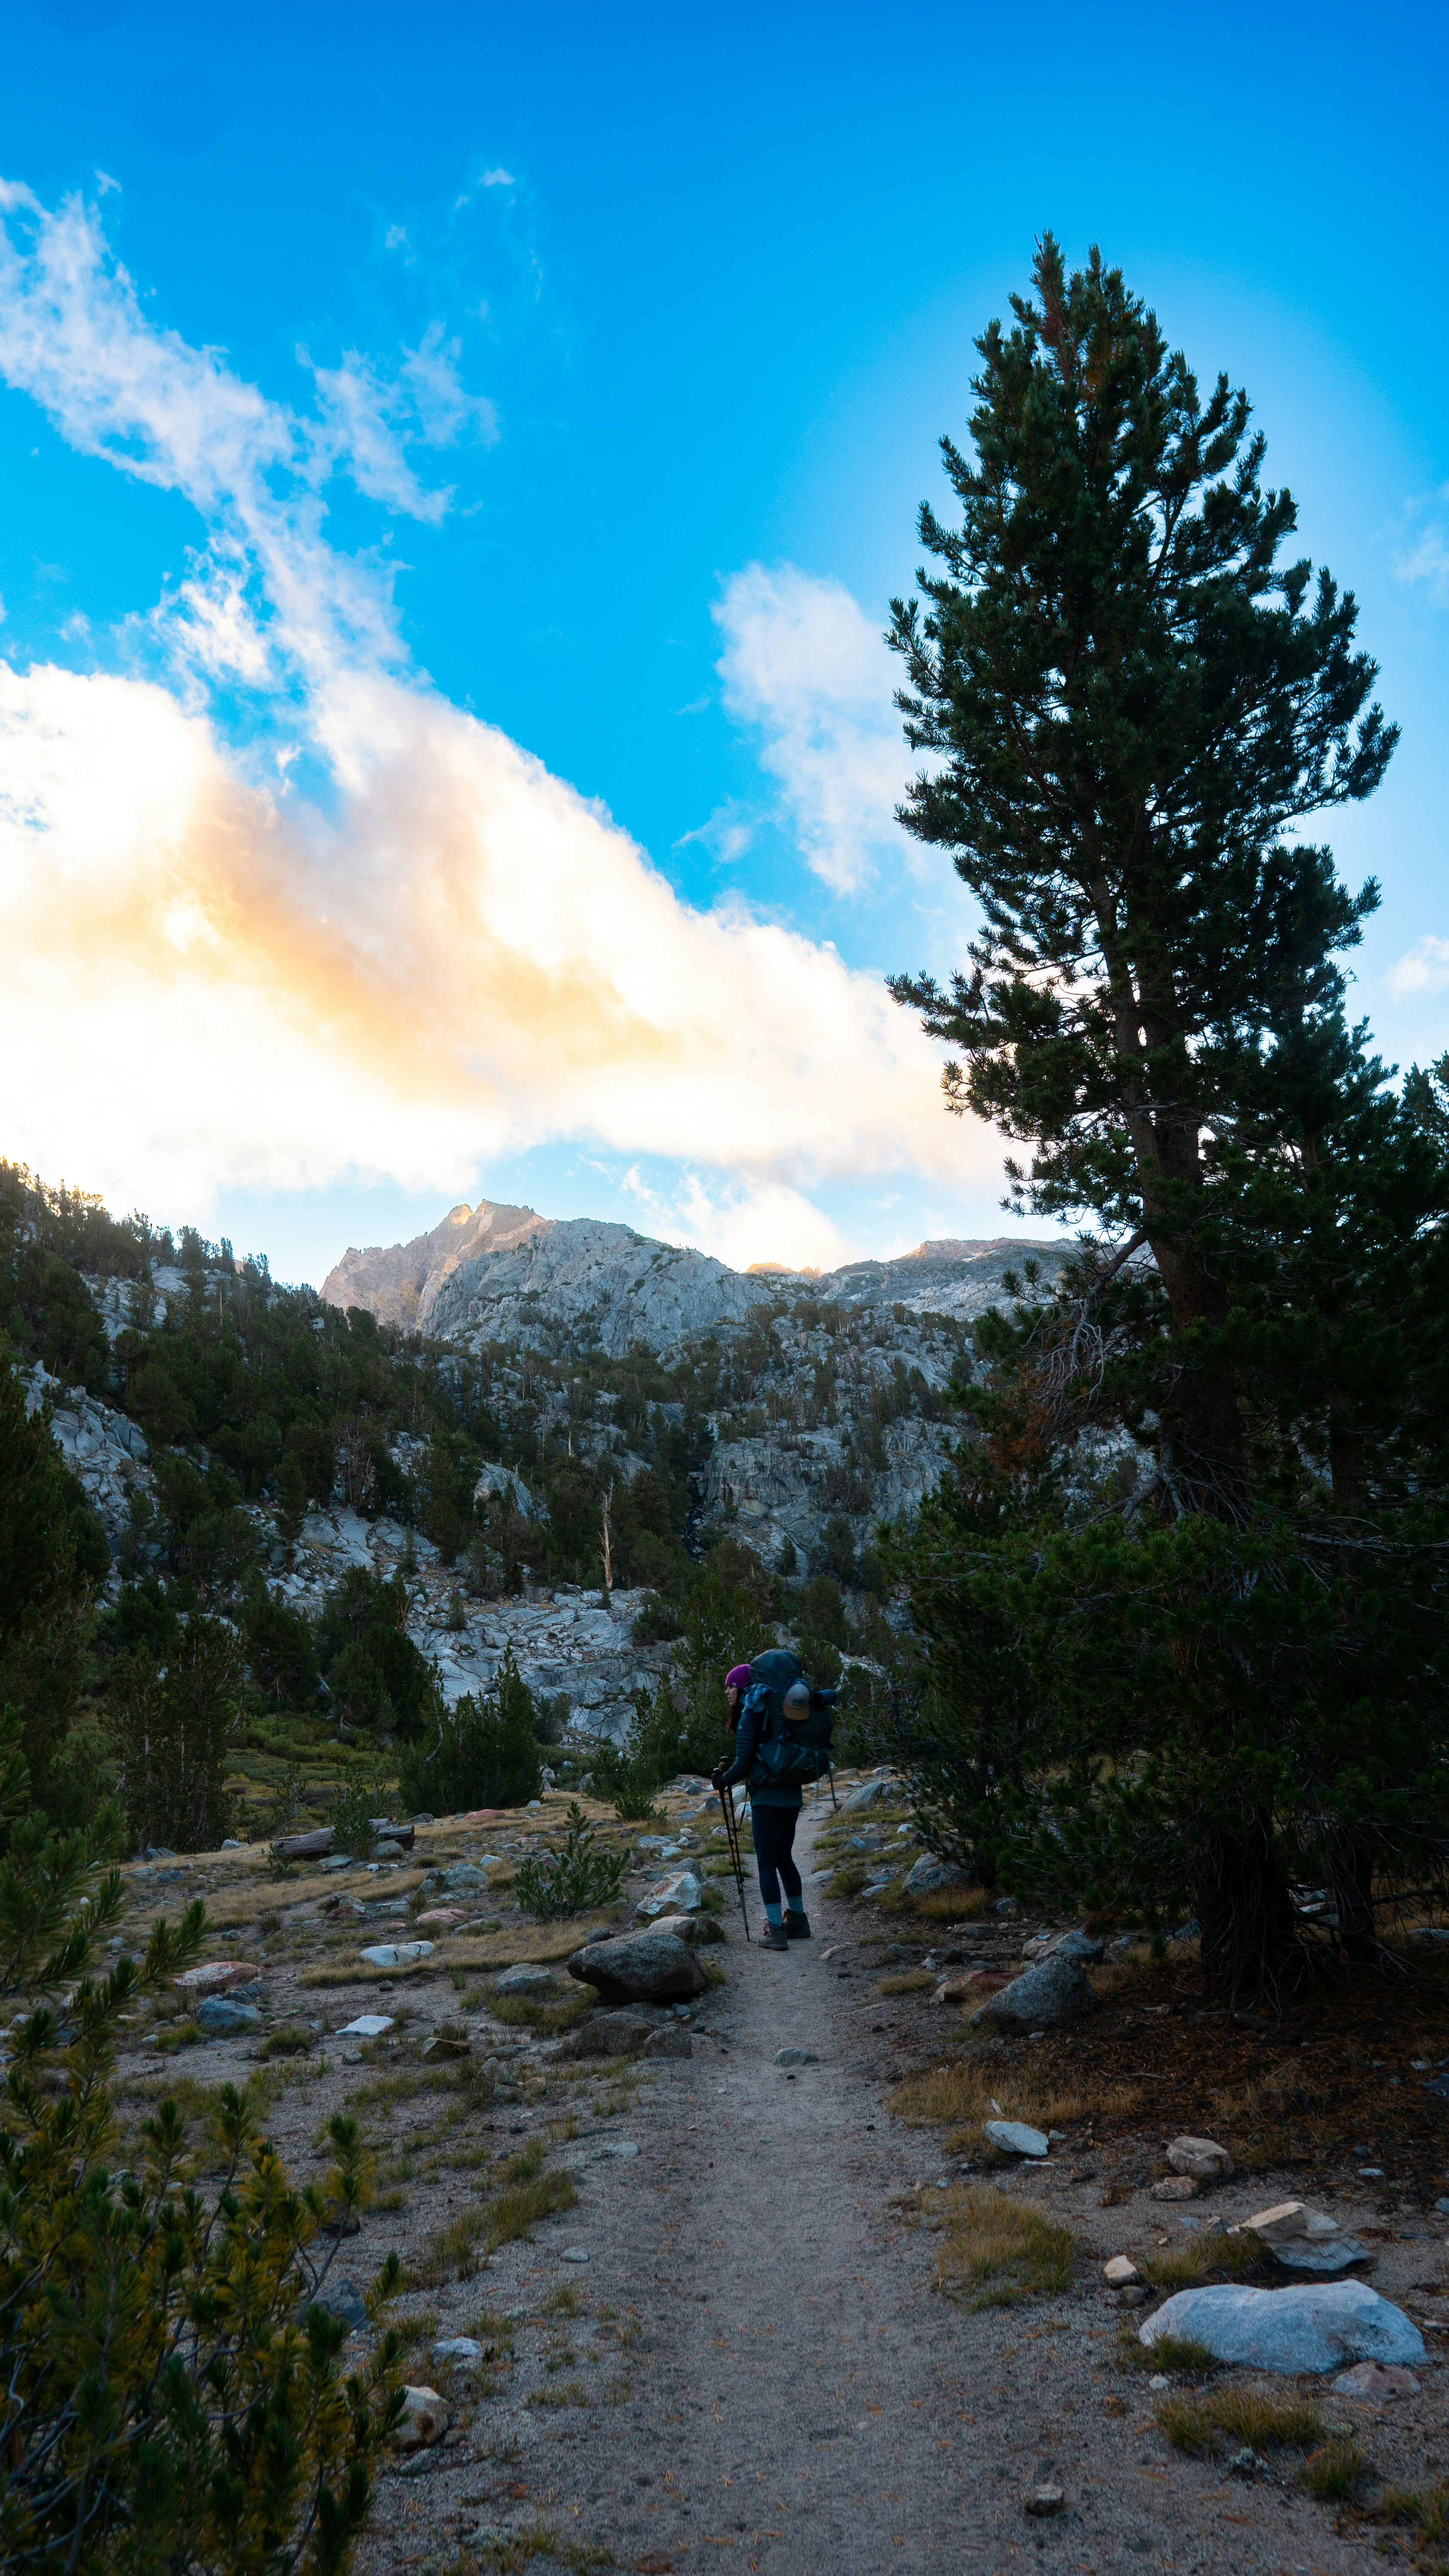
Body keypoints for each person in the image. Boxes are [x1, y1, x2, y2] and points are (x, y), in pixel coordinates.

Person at [713, 1649, 812, 1953]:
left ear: (742, 1688)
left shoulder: (751, 1714)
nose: (727, 1692)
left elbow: (743, 1764)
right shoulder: (775, 1711)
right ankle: (798, 1920)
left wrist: (722, 1781)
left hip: (768, 1798)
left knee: (767, 1863)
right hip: (792, 1794)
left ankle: (776, 1932)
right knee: (784, 1858)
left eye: (730, 1687)